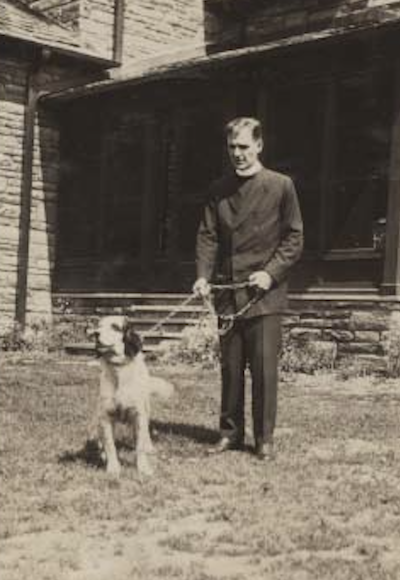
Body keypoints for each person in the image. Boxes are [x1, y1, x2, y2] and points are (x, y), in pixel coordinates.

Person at [193, 117, 303, 460]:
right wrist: (203, 276)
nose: (237, 153)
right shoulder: (218, 190)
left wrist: (270, 273)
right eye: (232, 147)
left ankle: (264, 439)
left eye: (244, 146)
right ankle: (230, 434)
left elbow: (294, 238)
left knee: (264, 371)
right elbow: (208, 236)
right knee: (230, 369)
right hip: (228, 294)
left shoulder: (281, 185)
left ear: (259, 145)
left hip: (264, 296)